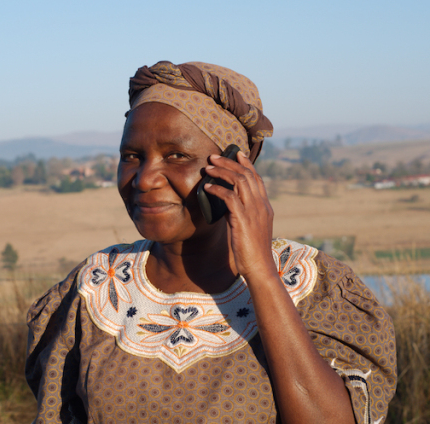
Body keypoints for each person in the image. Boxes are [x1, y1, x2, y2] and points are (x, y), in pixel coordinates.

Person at [26, 61, 396, 424]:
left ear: (237, 166)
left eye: (176, 156)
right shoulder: (95, 289)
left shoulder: (311, 285)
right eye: (132, 156)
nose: (144, 179)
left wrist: (263, 276)